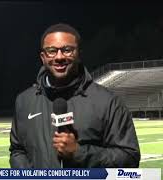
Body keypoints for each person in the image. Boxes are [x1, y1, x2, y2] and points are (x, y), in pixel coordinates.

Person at [9, 23, 140, 168]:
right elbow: (18, 150)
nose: (59, 57)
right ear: (43, 57)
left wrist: (79, 153)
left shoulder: (108, 102)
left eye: (67, 50)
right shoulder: (24, 101)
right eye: (52, 51)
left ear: (79, 54)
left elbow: (130, 158)